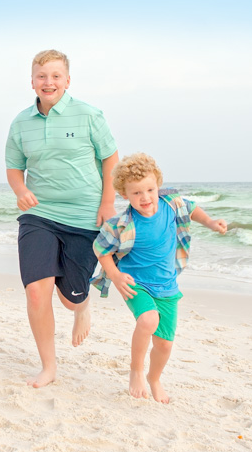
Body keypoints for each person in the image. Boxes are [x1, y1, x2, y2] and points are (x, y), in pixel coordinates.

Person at [5, 49, 119, 388]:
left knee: (70, 300)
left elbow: (111, 159)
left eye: (55, 76)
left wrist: (107, 202)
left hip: (84, 216)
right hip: (39, 214)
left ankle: (82, 306)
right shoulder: (21, 122)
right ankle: (49, 366)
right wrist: (20, 190)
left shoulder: (89, 115)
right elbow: (14, 168)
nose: (48, 82)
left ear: (67, 81)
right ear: (32, 82)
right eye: (42, 76)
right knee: (37, 292)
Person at [92, 153, 227, 404]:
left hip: (167, 286)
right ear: (124, 195)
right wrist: (116, 276)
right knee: (147, 320)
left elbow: (193, 208)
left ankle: (154, 379)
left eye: (150, 189)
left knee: (164, 345)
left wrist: (210, 222)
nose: (145, 197)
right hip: (136, 284)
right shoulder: (122, 224)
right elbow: (101, 250)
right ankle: (136, 370)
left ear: (158, 185)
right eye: (136, 193)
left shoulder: (171, 204)